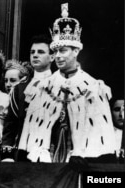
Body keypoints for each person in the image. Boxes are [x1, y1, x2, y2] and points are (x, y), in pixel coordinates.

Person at [18, 3, 116, 163]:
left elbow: (101, 135)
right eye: (55, 51)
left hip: (80, 161)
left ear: (76, 51)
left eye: (63, 51)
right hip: (46, 161)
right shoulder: (43, 87)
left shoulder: (93, 87)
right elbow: (31, 132)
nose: (57, 56)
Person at [0, 35, 54, 161]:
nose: (35, 55)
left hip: (52, 152)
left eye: (40, 52)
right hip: (24, 152)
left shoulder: (60, 85)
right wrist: (7, 156)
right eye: (32, 52)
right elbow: (10, 125)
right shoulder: (20, 89)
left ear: (52, 57)